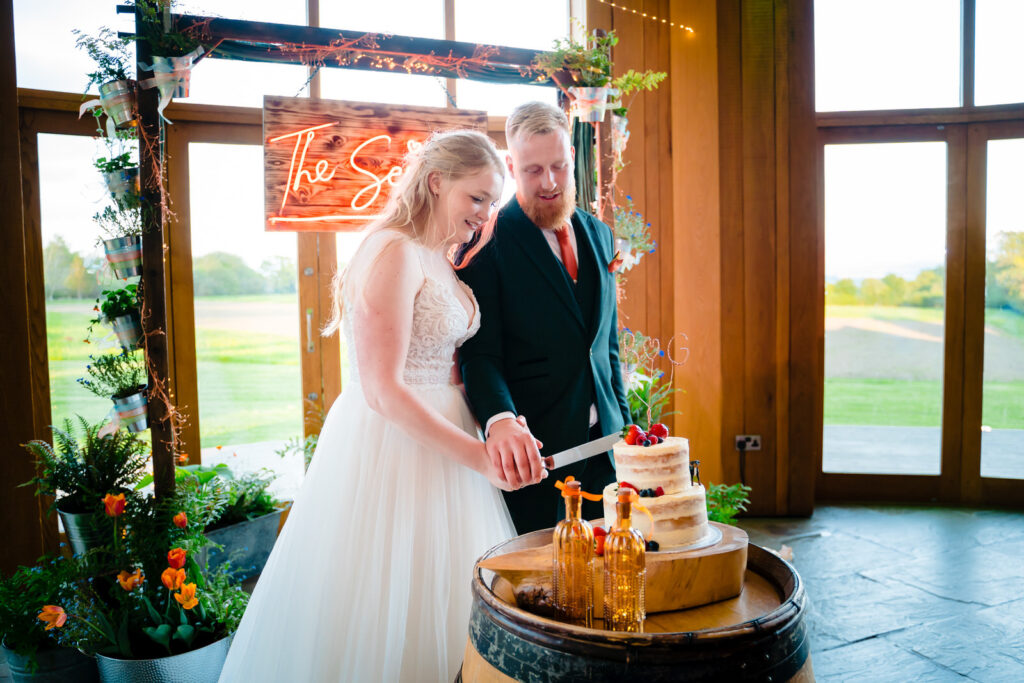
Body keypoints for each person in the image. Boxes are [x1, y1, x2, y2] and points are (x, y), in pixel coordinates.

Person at [218, 129, 546, 683]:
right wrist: (478, 455)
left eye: (492, 202)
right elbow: (382, 389)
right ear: (437, 181)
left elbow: (448, 364)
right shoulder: (392, 248)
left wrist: (506, 428)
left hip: (446, 445)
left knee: (448, 603)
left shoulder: (441, 256)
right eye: (477, 198)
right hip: (395, 449)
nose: (486, 212)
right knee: (385, 604)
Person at [458, 101, 632, 535]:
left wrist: (627, 429)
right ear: (511, 165)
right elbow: (481, 356)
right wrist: (499, 422)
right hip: (536, 462)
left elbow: (604, 346)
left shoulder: (600, 234)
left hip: (607, 452)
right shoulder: (487, 243)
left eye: (557, 165)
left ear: (571, 157)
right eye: (533, 170)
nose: (549, 182)